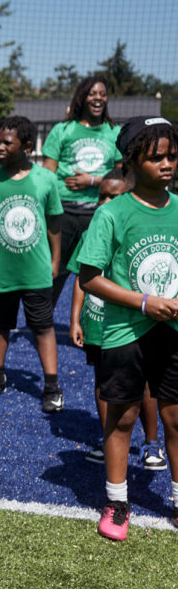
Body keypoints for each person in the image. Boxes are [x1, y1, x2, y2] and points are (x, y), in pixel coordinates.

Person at [77, 117, 178, 540]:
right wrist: (143, 301)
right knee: (122, 419)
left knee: (176, 419)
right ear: (131, 162)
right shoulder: (112, 213)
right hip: (123, 335)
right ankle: (117, 503)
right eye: (156, 157)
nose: (168, 164)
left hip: (172, 336)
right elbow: (89, 278)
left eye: (172, 155)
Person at [69, 168, 167, 469]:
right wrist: (75, 320)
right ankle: (107, 436)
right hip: (99, 323)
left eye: (113, 196)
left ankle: (152, 443)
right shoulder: (91, 232)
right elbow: (81, 279)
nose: (105, 201)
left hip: (133, 322)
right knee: (103, 383)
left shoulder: (136, 225)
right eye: (101, 196)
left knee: (147, 387)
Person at [0, 116, 64, 412]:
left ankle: (51, 386)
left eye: (6, 142)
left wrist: (55, 259)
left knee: (43, 327)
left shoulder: (46, 180)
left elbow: (54, 223)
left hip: (36, 272)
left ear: (25, 146)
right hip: (2, 273)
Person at [41, 76, 121, 307]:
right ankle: (42, 321)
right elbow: (47, 174)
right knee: (54, 269)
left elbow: (122, 177)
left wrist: (93, 180)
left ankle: (87, 324)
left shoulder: (113, 132)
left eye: (102, 94)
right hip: (63, 211)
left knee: (94, 272)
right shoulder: (62, 130)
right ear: (82, 97)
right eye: (92, 93)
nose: (98, 98)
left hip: (98, 213)